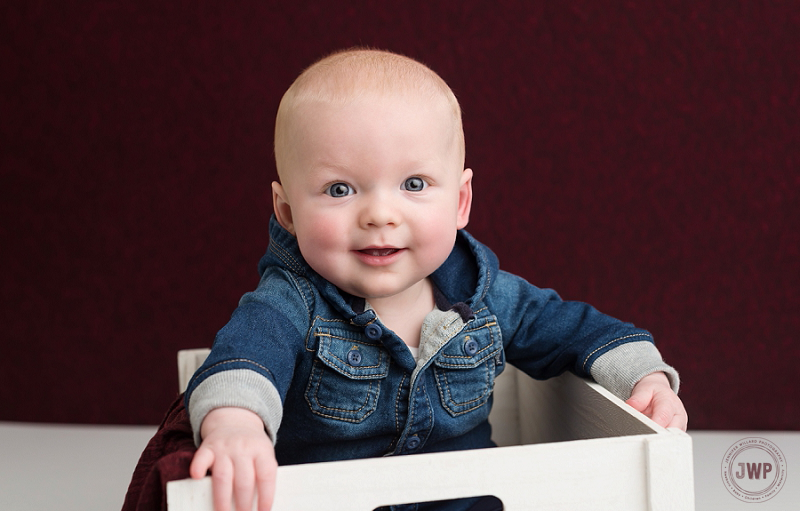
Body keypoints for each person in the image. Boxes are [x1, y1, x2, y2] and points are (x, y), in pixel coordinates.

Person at [184, 48, 688, 511]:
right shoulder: (290, 304)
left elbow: (574, 329)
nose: (380, 213)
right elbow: (244, 360)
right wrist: (236, 425)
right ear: (287, 211)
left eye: (414, 184)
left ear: (461, 202)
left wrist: (645, 377)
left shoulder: (484, 297)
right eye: (340, 188)